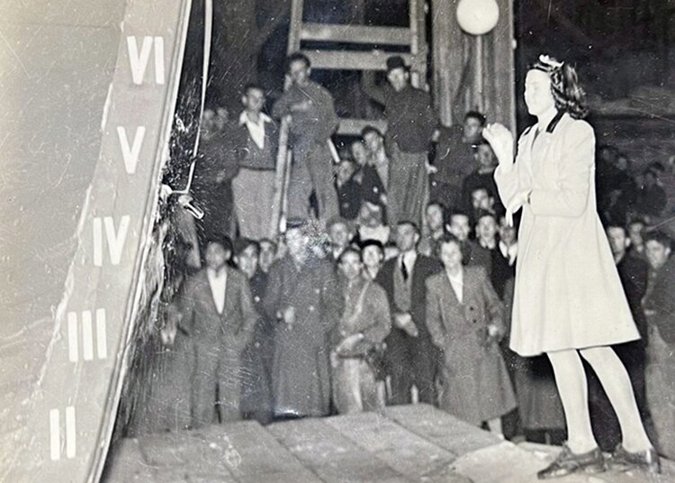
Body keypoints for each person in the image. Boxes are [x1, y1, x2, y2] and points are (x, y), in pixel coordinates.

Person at [485, 54, 659, 478]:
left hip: (574, 255)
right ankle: (582, 443)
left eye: (535, 87)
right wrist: (506, 156)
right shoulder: (527, 138)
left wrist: (527, 192)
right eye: (524, 87)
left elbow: (571, 200)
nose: (527, 93)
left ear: (558, 92)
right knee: (560, 348)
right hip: (542, 254)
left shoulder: (577, 133)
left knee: (594, 347)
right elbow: (511, 201)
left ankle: (637, 443)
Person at [426, 234, 516, 435]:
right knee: (465, 407)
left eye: (454, 252)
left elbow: (495, 305)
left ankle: (499, 443)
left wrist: (495, 326)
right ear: (439, 256)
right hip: (456, 350)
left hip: (483, 344)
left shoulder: (478, 275)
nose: (450, 257)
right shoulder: (434, 283)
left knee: (491, 403)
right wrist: (444, 343)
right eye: (445, 253)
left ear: (461, 254)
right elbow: (432, 319)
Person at [168, 235, 257, 427]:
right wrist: (200, 341)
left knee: (232, 404)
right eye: (209, 252)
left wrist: (239, 342)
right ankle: (202, 447)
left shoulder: (239, 280)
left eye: (217, 252)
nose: (212, 256)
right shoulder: (194, 283)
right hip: (204, 352)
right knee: (202, 404)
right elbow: (185, 319)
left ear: (227, 254)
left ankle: (233, 446)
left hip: (231, 351)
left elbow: (250, 316)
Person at [262, 220, 343, 418]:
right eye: (287, 239)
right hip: (288, 343)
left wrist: (320, 327)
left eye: (295, 238)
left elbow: (336, 305)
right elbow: (268, 305)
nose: (290, 243)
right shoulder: (278, 269)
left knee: (314, 406)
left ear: (306, 239)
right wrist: (281, 313)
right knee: (289, 409)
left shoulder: (323, 268)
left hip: (313, 341)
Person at [362, 56, 437, 227]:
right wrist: (372, 61)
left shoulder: (420, 96)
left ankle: (418, 237)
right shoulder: (388, 95)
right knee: (395, 198)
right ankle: (396, 238)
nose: (395, 79)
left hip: (417, 153)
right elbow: (367, 87)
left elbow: (431, 122)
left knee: (417, 199)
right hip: (397, 153)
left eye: (398, 75)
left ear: (406, 75)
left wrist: (421, 144)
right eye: (391, 76)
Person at [375, 221, 442, 405]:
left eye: (407, 233)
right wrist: (397, 317)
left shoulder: (431, 265)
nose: (402, 237)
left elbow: (434, 298)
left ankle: (430, 429)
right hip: (395, 334)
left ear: (417, 237)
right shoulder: (386, 267)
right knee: (398, 384)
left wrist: (411, 317)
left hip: (423, 332)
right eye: (398, 233)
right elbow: (380, 298)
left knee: (426, 384)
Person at [272, 53, 339, 222]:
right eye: (293, 73)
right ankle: (298, 230)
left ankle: (331, 229)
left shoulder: (320, 93)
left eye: (300, 71)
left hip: (317, 148)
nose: (297, 76)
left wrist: (319, 139)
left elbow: (333, 121)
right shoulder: (291, 93)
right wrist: (294, 108)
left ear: (308, 70)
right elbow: (276, 110)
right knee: (296, 191)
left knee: (324, 190)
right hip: (300, 150)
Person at [331, 247, 391, 414]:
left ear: (361, 265)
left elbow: (385, 325)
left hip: (363, 361)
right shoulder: (333, 292)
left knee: (365, 416)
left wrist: (360, 336)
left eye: (355, 262)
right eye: (346, 263)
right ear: (340, 266)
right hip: (339, 360)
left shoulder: (374, 291)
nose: (350, 268)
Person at [642, 231, 675, 460]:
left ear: (667, 250)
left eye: (655, 250)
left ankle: (670, 453)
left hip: (664, 340)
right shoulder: (658, 272)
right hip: (660, 340)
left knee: (662, 396)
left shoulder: (668, 272)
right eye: (647, 249)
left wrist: (652, 314)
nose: (650, 254)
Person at [232, 84, 279, 240]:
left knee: (268, 218)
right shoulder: (235, 125)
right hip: (244, 175)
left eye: (260, 98)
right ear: (244, 99)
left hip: (268, 175)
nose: (257, 101)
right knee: (246, 219)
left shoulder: (272, 126)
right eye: (253, 97)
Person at [192, 107, 243, 251]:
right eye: (203, 118)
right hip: (196, 194)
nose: (206, 123)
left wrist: (222, 175)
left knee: (220, 232)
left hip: (218, 194)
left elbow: (232, 166)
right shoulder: (192, 142)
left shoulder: (222, 142)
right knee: (198, 234)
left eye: (210, 118)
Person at [433, 111, 486, 210]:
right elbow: (440, 129)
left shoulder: (478, 149)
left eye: (473, 125)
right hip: (436, 180)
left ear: (480, 129)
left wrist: (439, 174)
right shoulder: (455, 134)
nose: (469, 128)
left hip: (453, 189)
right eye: (467, 124)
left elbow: (462, 177)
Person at [461, 140, 502, 216]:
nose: (486, 155)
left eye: (489, 151)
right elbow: (467, 207)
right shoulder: (470, 181)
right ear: (476, 156)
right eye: (482, 152)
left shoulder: (501, 176)